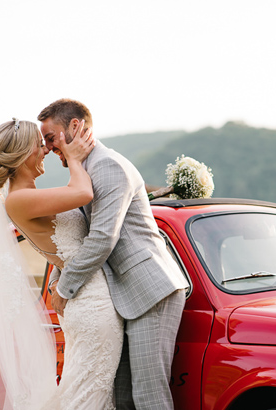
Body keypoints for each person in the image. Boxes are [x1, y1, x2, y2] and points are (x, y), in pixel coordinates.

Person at [39, 98, 190, 410]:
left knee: (149, 396)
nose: (49, 147)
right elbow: (77, 237)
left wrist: (65, 288)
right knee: (121, 398)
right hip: (123, 297)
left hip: (151, 289)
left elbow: (102, 238)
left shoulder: (107, 166)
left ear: (75, 126)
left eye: (51, 137)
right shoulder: (86, 169)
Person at [0, 117, 123, 409]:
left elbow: (61, 248)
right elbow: (83, 193)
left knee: (85, 391)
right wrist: (75, 157)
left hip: (85, 298)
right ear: (25, 153)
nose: (45, 151)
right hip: (90, 303)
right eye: (40, 146)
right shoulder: (18, 200)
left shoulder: (31, 197)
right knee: (89, 395)